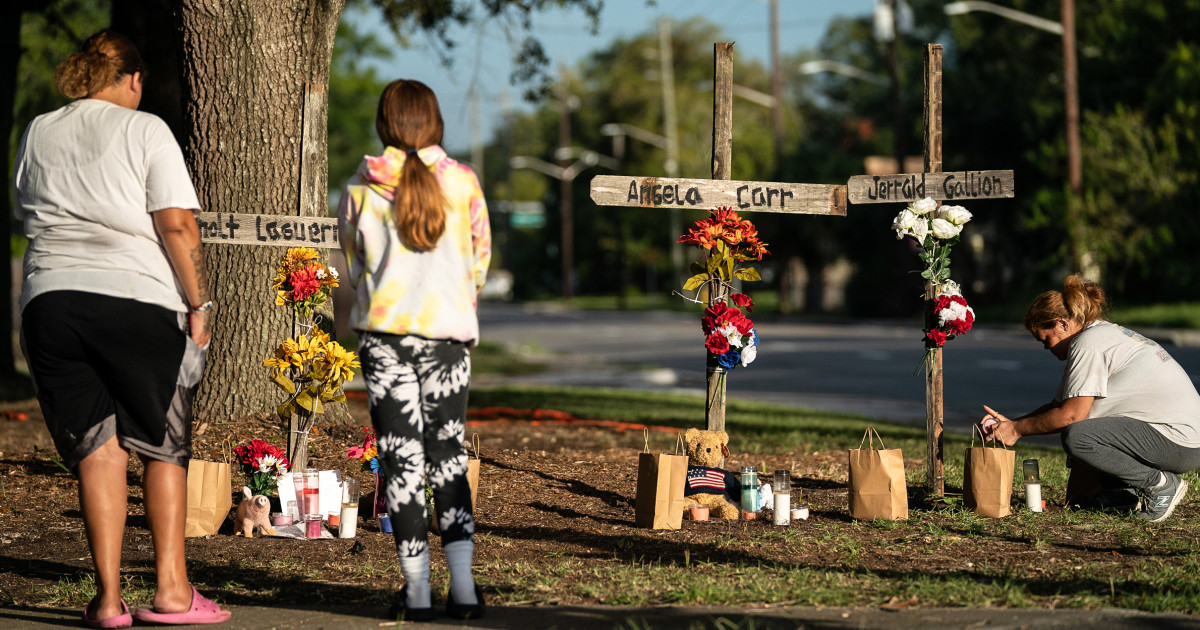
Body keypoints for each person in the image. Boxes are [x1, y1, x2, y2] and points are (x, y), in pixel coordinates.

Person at [13, 30, 229, 627]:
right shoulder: (146, 128)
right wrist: (200, 304)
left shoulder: (38, 130)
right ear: (132, 79)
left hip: (50, 302)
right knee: (163, 446)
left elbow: (26, 209)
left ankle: (108, 600)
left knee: (97, 450)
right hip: (136, 299)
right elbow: (177, 225)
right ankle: (172, 592)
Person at [337, 79, 491, 622]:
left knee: (401, 461)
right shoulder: (464, 183)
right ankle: (465, 590)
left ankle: (418, 592)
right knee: (448, 457)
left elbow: (354, 269)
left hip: (385, 341)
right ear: (435, 123)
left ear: (384, 124)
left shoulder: (359, 191)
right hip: (447, 339)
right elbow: (479, 263)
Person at [981, 275, 1200, 522]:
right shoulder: (1097, 334)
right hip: (1181, 437)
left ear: (1062, 324)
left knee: (1078, 436)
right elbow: (1058, 407)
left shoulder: (1088, 343)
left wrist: (1017, 430)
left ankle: (1161, 485)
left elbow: (1070, 416)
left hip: (1180, 442)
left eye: (1046, 339)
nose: (1046, 348)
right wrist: (1012, 424)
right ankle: (1121, 494)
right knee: (1081, 484)